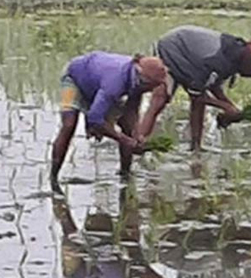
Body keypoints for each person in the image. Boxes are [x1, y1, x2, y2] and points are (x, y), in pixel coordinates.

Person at [50, 52, 170, 193]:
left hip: (98, 84)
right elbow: (94, 119)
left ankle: (125, 175)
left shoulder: (137, 83)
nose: (153, 90)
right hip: (75, 78)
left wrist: (136, 136)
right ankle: (53, 178)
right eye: (153, 86)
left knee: (127, 128)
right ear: (144, 80)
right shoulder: (115, 82)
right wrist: (123, 140)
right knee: (69, 124)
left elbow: (131, 112)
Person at [138, 25, 251, 152]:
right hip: (172, 47)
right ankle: (139, 142)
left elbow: (213, 85)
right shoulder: (219, 60)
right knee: (160, 99)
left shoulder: (234, 55)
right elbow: (198, 94)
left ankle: (196, 146)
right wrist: (225, 106)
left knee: (198, 99)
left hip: (192, 56)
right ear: (249, 63)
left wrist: (231, 108)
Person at [53, 189, 168, 278]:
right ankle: (123, 193)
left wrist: (67, 221)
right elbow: (132, 243)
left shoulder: (115, 276)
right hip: (111, 271)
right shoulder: (138, 272)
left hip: (78, 275)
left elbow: (99, 246)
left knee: (79, 235)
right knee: (129, 233)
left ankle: (59, 201)